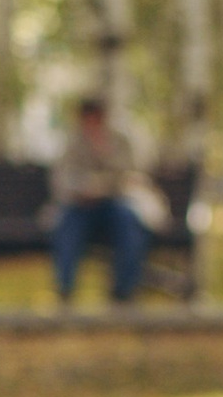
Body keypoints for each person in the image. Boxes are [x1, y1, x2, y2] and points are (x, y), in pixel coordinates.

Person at [49, 97, 156, 306]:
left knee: (129, 222)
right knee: (67, 226)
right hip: (80, 206)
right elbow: (61, 180)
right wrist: (82, 190)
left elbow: (130, 175)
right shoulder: (71, 144)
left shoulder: (119, 141)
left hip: (114, 203)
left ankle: (123, 293)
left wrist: (104, 160)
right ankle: (65, 290)